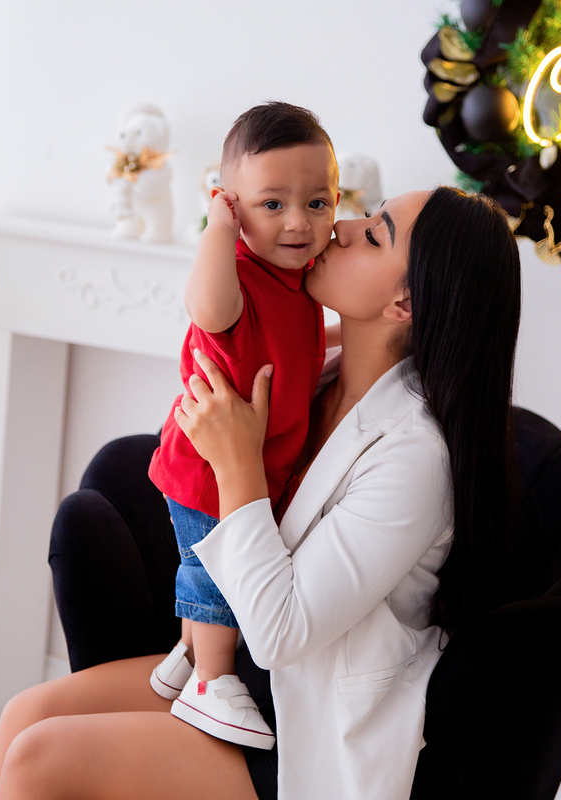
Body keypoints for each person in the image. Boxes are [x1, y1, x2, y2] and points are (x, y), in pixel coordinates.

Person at [0, 186, 522, 800]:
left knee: (39, 759)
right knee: (19, 721)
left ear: (405, 302)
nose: (343, 228)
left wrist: (236, 460)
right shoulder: (319, 380)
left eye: (375, 235)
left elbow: (281, 633)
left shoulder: (417, 458)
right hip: (239, 673)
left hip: (300, 724)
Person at [145, 101, 338, 749]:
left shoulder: (298, 283)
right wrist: (215, 231)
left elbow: (299, 344)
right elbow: (205, 307)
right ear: (233, 206)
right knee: (215, 575)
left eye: (318, 203)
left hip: (252, 463)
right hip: (208, 465)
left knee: (206, 565)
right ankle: (212, 681)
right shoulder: (240, 279)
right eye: (271, 204)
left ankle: (185, 657)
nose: (298, 223)